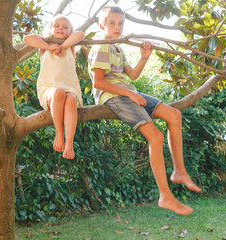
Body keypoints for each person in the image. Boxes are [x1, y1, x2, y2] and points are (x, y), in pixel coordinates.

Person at [88, 6, 201, 215]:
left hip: (128, 92)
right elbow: (98, 82)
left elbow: (132, 76)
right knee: (156, 138)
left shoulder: (117, 48)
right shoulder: (102, 46)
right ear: (101, 25)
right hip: (115, 97)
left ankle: (179, 171)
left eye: (120, 23)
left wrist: (144, 57)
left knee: (174, 115)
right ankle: (165, 196)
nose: (117, 27)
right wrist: (129, 94)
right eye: (111, 23)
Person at [24, 15, 84, 159]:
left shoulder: (70, 47)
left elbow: (80, 34)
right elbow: (28, 38)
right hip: (49, 89)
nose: (60, 28)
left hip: (70, 88)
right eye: (56, 26)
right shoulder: (44, 47)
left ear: (70, 31)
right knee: (58, 92)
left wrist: (63, 46)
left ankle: (69, 143)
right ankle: (59, 133)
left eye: (65, 27)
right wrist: (49, 46)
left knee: (70, 99)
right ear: (50, 30)